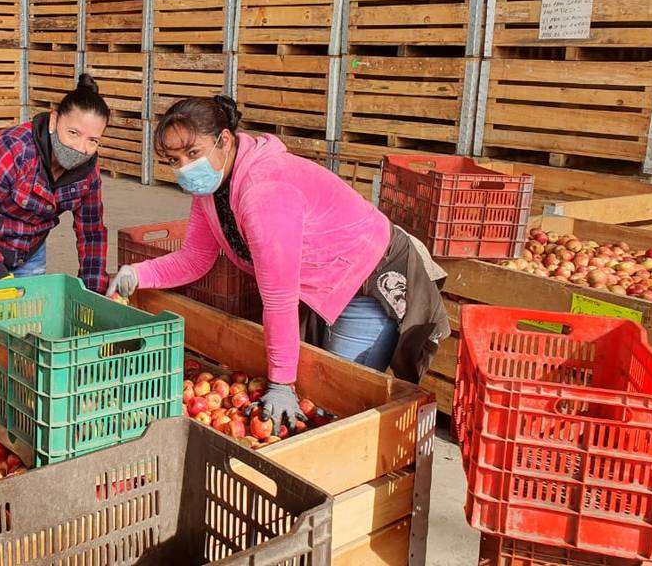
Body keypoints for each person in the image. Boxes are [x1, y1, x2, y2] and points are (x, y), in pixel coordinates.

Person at [107, 95, 449, 431]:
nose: (184, 168)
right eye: (174, 159)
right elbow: (196, 257)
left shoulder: (263, 193)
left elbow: (279, 298)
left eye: (192, 153)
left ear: (224, 140)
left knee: (338, 397)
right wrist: (138, 274)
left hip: (366, 275)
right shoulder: (211, 190)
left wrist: (282, 383)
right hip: (319, 275)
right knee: (316, 391)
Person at [0, 73, 110, 292]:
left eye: (93, 140)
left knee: (28, 320)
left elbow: (92, 233)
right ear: (54, 120)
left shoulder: (88, 173)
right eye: (73, 133)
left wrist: (94, 293)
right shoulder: (13, 149)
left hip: (29, 253)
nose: (80, 148)